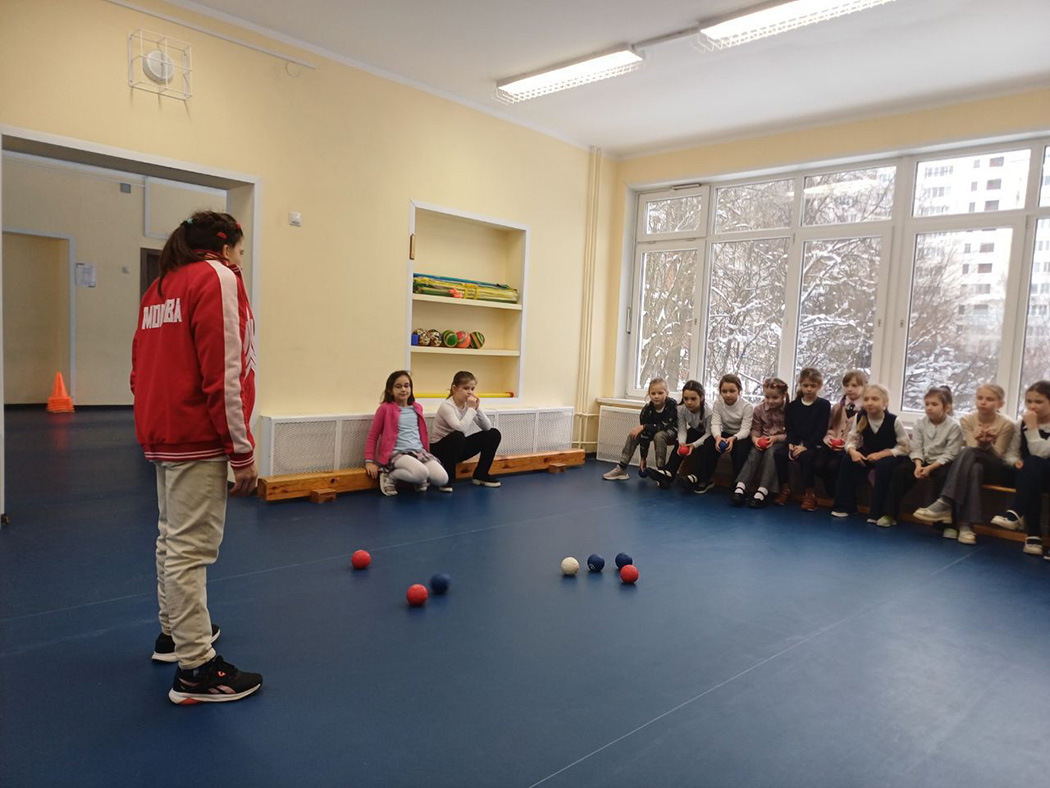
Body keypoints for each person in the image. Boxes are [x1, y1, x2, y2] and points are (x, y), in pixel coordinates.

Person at [131, 210, 262, 705]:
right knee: (190, 551)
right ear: (226, 247)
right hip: (196, 435)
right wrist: (241, 451)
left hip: (163, 431)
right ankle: (196, 670)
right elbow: (225, 371)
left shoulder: (160, 287)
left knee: (171, 540)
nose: (240, 260)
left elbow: (138, 367)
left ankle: (174, 635)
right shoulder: (217, 278)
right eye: (241, 251)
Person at [913, 383, 1016, 544]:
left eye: (989, 399)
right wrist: (980, 441)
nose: (983, 402)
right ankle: (966, 526)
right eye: (980, 398)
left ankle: (945, 502)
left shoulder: (1007, 423)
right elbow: (973, 448)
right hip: (975, 464)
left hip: (996, 468)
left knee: (967, 453)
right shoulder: (967, 419)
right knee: (974, 469)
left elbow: (998, 456)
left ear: (1000, 404)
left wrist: (987, 444)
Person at [881, 386, 962, 528]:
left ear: (946, 408)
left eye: (934, 404)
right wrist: (918, 465)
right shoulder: (920, 422)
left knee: (945, 477)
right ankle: (890, 514)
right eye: (927, 404)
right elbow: (916, 447)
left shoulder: (954, 426)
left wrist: (930, 468)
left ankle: (946, 525)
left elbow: (950, 453)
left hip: (941, 462)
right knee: (900, 472)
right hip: (922, 460)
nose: (929, 408)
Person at [831, 384, 909, 524]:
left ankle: (878, 512)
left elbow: (905, 447)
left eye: (875, 399)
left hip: (889, 456)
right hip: (869, 454)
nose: (870, 402)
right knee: (847, 460)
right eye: (866, 399)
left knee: (884, 466)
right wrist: (852, 451)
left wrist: (882, 454)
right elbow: (851, 440)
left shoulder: (894, 421)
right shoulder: (860, 417)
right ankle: (845, 506)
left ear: (885, 402)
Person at [990, 381, 1050, 558]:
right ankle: (1028, 531)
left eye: (1038, 402)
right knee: (1030, 471)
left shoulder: (1029, 424)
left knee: (1034, 463)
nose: (1032, 406)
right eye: (1029, 401)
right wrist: (1016, 462)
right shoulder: (1020, 424)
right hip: (1027, 475)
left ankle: (1023, 523)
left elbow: (1042, 453)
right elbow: (1011, 453)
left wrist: (1032, 428)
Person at [364, 370, 448, 496]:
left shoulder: (417, 407)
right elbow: (373, 435)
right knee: (422, 473)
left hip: (418, 451)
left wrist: (425, 451)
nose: (403, 389)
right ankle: (389, 476)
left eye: (406, 386)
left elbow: (421, 432)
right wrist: (369, 461)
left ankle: (417, 478)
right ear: (390, 390)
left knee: (442, 478)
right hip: (396, 453)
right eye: (398, 386)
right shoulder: (385, 408)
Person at [429, 371, 503, 492]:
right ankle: (447, 479)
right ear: (454, 388)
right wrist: (472, 410)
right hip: (440, 450)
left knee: (493, 434)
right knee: (457, 436)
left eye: (472, 389)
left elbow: (487, 427)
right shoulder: (447, 406)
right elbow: (460, 429)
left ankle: (481, 474)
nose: (470, 392)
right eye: (466, 388)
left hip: (456, 448)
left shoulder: (469, 406)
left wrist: (477, 409)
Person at [603, 378, 678, 480]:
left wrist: (644, 426)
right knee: (634, 434)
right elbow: (644, 434)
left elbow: (665, 425)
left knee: (659, 436)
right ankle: (622, 468)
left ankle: (661, 472)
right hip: (654, 431)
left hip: (671, 431)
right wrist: (643, 457)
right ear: (649, 394)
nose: (656, 396)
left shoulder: (672, 405)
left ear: (667, 393)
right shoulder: (647, 410)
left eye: (660, 393)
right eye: (653, 393)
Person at [731, 378, 788, 508]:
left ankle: (763, 490)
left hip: (781, 441)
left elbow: (791, 434)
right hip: (762, 439)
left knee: (772, 453)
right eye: (767, 397)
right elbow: (755, 429)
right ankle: (741, 486)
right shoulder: (759, 409)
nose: (770, 401)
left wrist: (776, 438)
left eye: (775, 397)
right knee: (753, 453)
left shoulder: (789, 410)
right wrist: (755, 439)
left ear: (784, 395)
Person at [780, 367, 832, 511]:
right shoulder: (793, 406)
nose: (809, 389)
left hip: (813, 444)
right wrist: (791, 443)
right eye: (805, 385)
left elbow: (820, 430)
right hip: (794, 443)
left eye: (812, 386)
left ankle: (810, 494)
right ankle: (785, 489)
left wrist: (805, 446)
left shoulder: (823, 405)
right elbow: (789, 427)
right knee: (779, 454)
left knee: (806, 457)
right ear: (800, 385)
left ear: (819, 386)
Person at [813, 370, 867, 501]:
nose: (850, 389)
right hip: (831, 445)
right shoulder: (838, 407)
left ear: (863, 386)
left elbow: (863, 435)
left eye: (854, 385)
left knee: (834, 466)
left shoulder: (865, 409)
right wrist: (830, 438)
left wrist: (847, 444)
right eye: (846, 385)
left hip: (850, 447)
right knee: (818, 465)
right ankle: (833, 494)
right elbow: (830, 427)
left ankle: (840, 498)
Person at [648, 380, 710, 491]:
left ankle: (696, 477)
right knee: (682, 440)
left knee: (706, 445)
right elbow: (682, 430)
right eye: (686, 398)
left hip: (710, 435)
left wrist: (694, 445)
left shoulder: (709, 412)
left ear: (701, 398)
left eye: (693, 399)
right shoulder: (681, 409)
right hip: (695, 431)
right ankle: (669, 472)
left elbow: (709, 433)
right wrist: (682, 443)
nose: (689, 402)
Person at [697, 374, 754, 494]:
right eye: (724, 391)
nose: (728, 395)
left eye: (732, 391)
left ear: (739, 390)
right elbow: (715, 423)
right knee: (708, 443)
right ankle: (705, 480)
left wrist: (734, 438)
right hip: (724, 433)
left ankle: (737, 486)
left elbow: (746, 429)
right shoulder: (718, 403)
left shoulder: (747, 406)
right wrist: (718, 438)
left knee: (741, 449)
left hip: (740, 436)